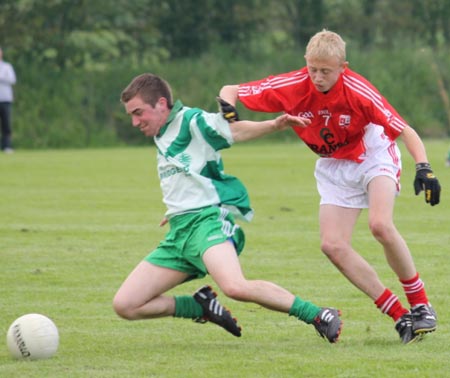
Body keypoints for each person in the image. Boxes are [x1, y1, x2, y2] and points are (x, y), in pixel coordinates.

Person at [219, 29, 441, 344]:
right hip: (334, 166)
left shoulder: (358, 90)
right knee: (332, 245)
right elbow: (231, 90)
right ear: (306, 63)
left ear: (343, 67)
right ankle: (399, 316)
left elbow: (404, 130)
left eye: (326, 71)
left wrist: (424, 167)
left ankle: (420, 304)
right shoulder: (294, 85)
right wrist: (227, 107)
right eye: (313, 69)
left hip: (372, 154)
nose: (318, 77)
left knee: (379, 225)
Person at [112, 73, 343, 343]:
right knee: (126, 305)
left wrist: (276, 124)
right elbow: (190, 169)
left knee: (234, 286)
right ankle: (199, 307)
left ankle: (318, 314)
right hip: (180, 233)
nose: (135, 122)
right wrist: (176, 208)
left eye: (138, 113)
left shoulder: (191, 120)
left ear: (161, 104)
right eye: (131, 115)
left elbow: (233, 129)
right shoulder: (162, 132)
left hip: (206, 224)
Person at [0, 47, 16, 153]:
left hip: (5, 99)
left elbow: (12, 80)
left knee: (6, 124)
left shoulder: (7, 66)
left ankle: (7, 146)